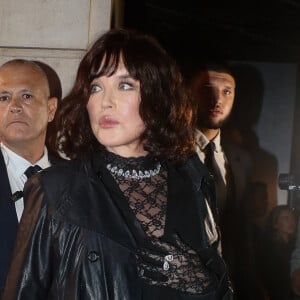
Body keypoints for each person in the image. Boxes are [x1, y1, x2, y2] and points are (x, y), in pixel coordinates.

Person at [2, 29, 232, 299]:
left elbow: (224, 287)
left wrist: (203, 283)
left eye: (125, 85)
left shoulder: (195, 182)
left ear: (157, 96)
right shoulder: (55, 188)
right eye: (96, 88)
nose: (105, 102)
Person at [186, 62, 262, 299]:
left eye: (227, 91)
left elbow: (242, 234)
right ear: (190, 94)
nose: (217, 99)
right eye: (207, 88)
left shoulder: (241, 159)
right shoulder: (168, 153)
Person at [0, 59, 63, 294]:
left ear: (51, 109)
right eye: (3, 98)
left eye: (26, 96)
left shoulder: (81, 183)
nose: (14, 106)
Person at [258, 205, 296, 300]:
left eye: (292, 218)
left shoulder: (294, 247)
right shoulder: (271, 251)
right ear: (275, 224)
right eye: (286, 218)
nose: (291, 222)